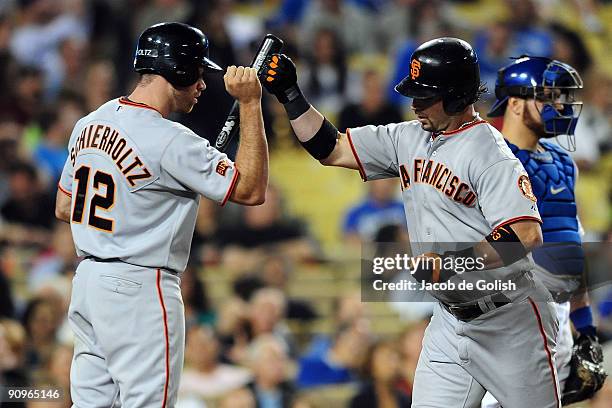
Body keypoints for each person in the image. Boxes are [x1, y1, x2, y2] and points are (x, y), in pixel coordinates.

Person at [260, 37, 561, 407]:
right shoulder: (408, 136)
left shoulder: (491, 154)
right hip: (450, 322)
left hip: (510, 321)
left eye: (425, 95)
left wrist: (454, 262)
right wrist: (291, 95)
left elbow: (525, 234)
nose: (414, 103)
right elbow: (332, 148)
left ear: (455, 95)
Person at [54, 22, 268, 407]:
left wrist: (138, 206)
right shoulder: (172, 140)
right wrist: (251, 104)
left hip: (87, 281)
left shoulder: (90, 122)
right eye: (199, 73)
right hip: (141, 287)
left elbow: (65, 205)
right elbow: (252, 190)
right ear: (179, 71)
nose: (203, 83)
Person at [482, 55, 607, 407]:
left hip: (557, 323)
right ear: (517, 103)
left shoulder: (564, 163)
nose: (561, 106)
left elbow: (571, 246)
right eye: (549, 96)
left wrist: (585, 329)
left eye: (562, 96)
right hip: (508, 325)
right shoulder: (486, 160)